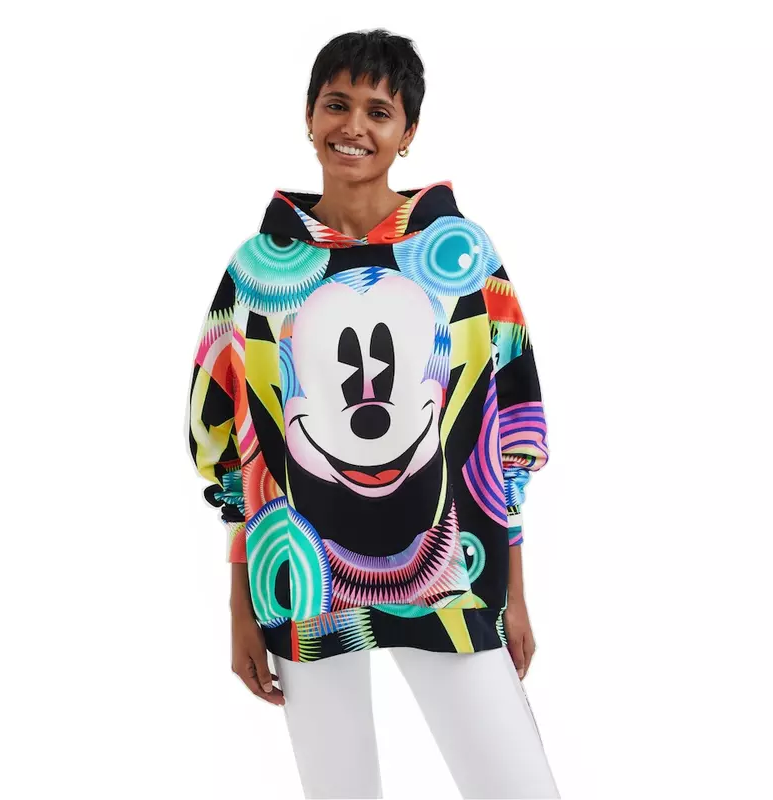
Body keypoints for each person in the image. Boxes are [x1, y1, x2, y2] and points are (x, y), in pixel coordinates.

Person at [187, 28, 560, 800]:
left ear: (408, 132)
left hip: (455, 577)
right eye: (336, 104)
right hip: (303, 582)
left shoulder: (462, 258)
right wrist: (240, 606)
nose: (353, 126)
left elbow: (509, 426)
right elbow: (228, 446)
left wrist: (516, 589)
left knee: (517, 786)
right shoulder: (258, 271)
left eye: (378, 111)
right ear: (308, 116)